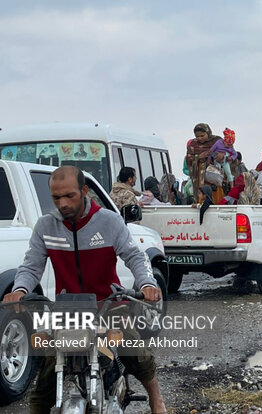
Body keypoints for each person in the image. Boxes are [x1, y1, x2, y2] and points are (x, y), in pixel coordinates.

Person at [2, 166, 166, 414]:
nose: (63, 203)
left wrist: (147, 284)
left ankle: (156, 398)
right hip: (69, 308)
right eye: (56, 198)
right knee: (45, 378)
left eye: (70, 196)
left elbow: (135, 256)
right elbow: (31, 265)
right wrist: (20, 289)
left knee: (136, 352)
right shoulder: (46, 226)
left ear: (85, 191)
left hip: (109, 302)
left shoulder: (109, 221)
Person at [185, 123, 219, 199]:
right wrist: (198, 157)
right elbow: (188, 158)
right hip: (199, 176)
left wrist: (213, 156)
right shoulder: (193, 144)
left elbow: (226, 153)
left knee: (215, 195)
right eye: (197, 136)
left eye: (202, 136)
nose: (199, 138)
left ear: (208, 133)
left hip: (214, 175)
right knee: (200, 194)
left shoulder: (217, 141)